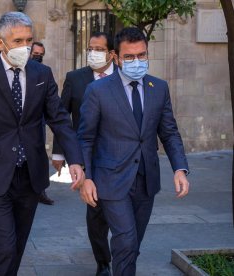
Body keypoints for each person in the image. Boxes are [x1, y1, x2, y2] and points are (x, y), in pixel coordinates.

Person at [0, 12, 85, 276]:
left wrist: (76, 159)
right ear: (1, 43)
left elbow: (59, 118)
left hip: (30, 175)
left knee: (18, 245)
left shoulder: (42, 74)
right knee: (5, 246)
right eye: (17, 41)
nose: (25, 47)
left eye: (29, 40)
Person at [77, 27, 190, 276]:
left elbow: (169, 132)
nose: (137, 62)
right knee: (126, 240)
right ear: (116, 57)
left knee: (132, 245)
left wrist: (180, 169)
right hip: (111, 180)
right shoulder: (98, 91)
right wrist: (86, 177)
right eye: (129, 57)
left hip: (146, 179)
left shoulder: (158, 87)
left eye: (142, 55)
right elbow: (85, 138)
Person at [51, 32, 116, 276]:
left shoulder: (124, 77)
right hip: (88, 156)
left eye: (99, 48)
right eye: (90, 48)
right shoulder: (75, 78)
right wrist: (59, 153)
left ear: (111, 53)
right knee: (96, 209)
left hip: (119, 155)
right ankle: (103, 262)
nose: (93, 53)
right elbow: (61, 117)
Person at [28, 41, 54, 205]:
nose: (38, 57)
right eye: (35, 54)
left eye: (41, 55)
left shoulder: (43, 73)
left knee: (39, 156)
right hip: (20, 123)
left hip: (39, 121)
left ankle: (40, 191)